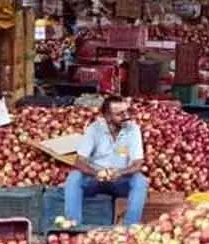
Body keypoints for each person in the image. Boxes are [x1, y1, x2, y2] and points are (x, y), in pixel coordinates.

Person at [64, 96, 149, 227]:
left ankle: (130, 227)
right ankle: (73, 224)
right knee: (74, 177)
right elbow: (79, 161)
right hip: (96, 179)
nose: (126, 116)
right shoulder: (94, 129)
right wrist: (96, 173)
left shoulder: (133, 130)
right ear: (107, 116)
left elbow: (138, 164)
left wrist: (120, 173)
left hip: (121, 179)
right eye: (120, 114)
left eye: (127, 111)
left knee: (140, 181)